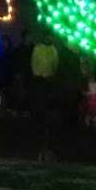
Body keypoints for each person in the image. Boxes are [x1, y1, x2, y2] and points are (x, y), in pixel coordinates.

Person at [30, 31, 58, 161]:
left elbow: (55, 64)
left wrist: (51, 75)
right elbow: (34, 63)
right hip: (39, 79)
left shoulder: (53, 50)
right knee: (40, 100)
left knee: (46, 101)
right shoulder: (38, 48)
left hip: (49, 79)